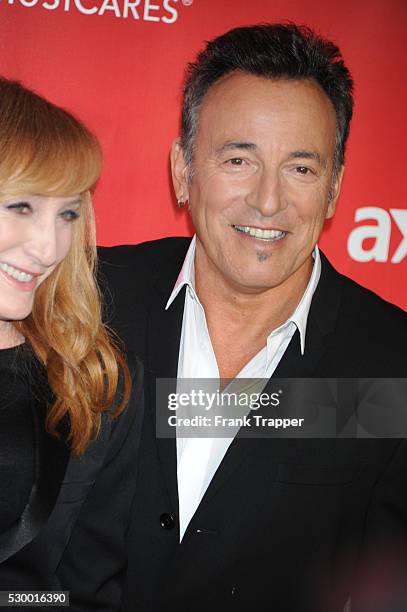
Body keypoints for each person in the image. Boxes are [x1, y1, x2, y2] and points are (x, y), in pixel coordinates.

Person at [98, 24, 407, 611]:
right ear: (183, 171)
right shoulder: (90, 300)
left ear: (335, 189)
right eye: (239, 159)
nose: (268, 202)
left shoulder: (392, 363)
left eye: (301, 169)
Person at [0, 77, 143, 610]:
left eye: (67, 213)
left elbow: (77, 593)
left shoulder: (94, 381)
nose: (49, 246)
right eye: (21, 206)